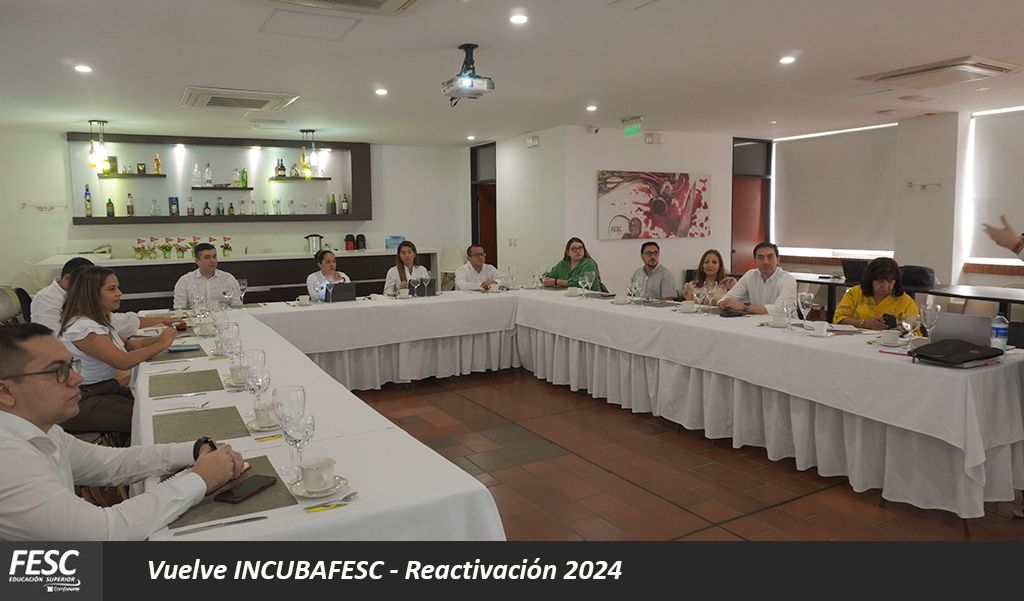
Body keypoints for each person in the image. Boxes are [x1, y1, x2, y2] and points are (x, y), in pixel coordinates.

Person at [0, 323, 245, 540]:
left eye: (71, 365)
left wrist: (195, 449)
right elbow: (105, 532)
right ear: (6, 392)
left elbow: (110, 464)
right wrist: (200, 479)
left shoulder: (40, 428)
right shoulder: (8, 461)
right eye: (57, 371)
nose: (77, 378)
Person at [58, 267, 176, 438]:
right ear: (91, 294)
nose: (119, 293)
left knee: (154, 401)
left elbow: (129, 346)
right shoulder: (83, 328)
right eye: (112, 289)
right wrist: (162, 344)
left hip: (102, 388)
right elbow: (123, 361)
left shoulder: (98, 320)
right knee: (150, 420)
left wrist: (164, 338)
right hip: (81, 398)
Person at [32, 257, 176, 336]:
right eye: (111, 289)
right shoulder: (46, 299)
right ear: (68, 279)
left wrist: (159, 320)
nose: (118, 293)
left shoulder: (87, 311)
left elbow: (114, 320)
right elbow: (50, 337)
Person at [832, 257, 918, 330]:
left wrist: (902, 330)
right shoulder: (855, 293)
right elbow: (838, 319)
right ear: (870, 280)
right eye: (880, 281)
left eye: (890, 281)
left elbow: (915, 331)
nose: (885, 286)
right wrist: (862, 323)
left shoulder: (906, 302)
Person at [718, 242, 796, 315]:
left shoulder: (788, 279)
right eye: (760, 258)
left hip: (785, 323)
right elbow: (727, 297)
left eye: (770, 257)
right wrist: (723, 303)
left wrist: (744, 307)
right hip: (756, 322)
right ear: (755, 260)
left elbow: (781, 309)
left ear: (777, 260)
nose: (765, 262)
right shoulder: (750, 275)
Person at [172, 243, 241, 310]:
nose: (212, 260)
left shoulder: (228, 278)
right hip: (196, 316)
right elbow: (179, 309)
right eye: (207, 257)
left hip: (223, 316)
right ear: (197, 261)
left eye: (214, 256)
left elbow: (237, 306)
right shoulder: (185, 281)